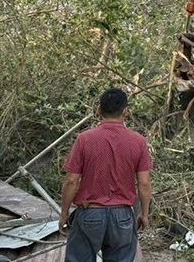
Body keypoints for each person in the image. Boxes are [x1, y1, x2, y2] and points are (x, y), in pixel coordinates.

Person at [59, 88, 153, 262]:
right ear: (125, 111)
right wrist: (144, 215)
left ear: (99, 110)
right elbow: (144, 183)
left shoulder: (85, 139)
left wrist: (64, 213)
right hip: (123, 216)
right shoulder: (138, 141)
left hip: (89, 213)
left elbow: (71, 180)